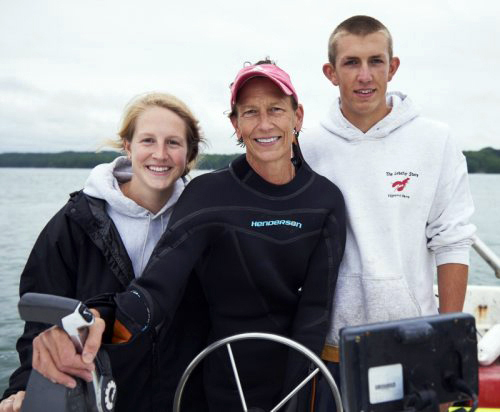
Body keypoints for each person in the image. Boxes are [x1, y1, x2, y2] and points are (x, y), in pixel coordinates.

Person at [30, 60, 346, 411]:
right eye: (250, 112)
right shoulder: (207, 194)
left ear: (297, 117)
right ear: (235, 124)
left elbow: (315, 312)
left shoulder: (325, 200)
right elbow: (155, 290)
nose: (264, 123)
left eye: (275, 110)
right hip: (214, 385)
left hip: (295, 380)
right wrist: (90, 321)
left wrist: (298, 400)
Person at [300, 15, 476, 409]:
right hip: (328, 349)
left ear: (393, 67)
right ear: (331, 72)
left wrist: (447, 348)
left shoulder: (436, 140)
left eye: (375, 61)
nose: (365, 76)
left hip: (411, 342)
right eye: (351, 63)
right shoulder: (307, 147)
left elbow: (451, 241)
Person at [0, 92, 207, 412]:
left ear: (189, 152)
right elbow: (42, 326)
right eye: (148, 140)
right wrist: (24, 387)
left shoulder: (202, 221)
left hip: (184, 396)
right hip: (102, 397)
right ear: (128, 146)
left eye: (174, 143)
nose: (160, 154)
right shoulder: (75, 222)